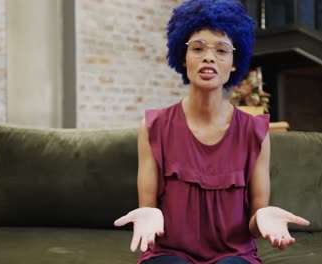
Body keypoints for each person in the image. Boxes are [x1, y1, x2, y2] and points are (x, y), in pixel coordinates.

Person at [114, 0, 310, 263]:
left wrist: (262, 217)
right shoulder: (153, 127)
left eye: (221, 50)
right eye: (197, 48)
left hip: (233, 253)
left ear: (233, 63)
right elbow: (147, 208)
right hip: (169, 252)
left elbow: (255, 218)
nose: (208, 56)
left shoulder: (255, 132)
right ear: (183, 58)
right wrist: (148, 213)